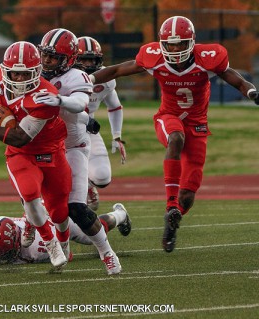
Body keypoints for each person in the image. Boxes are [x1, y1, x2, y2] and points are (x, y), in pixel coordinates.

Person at [89, 16, 259, 253]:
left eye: (180, 44)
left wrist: (252, 92)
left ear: (192, 42)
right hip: (167, 117)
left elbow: (237, 80)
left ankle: (173, 220)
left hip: (197, 126)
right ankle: (170, 204)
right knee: (176, 138)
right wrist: (88, 79)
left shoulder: (207, 59)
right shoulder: (154, 58)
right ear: (162, 43)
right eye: (170, 44)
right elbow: (117, 69)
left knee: (188, 194)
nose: (175, 49)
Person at [33, 28, 122, 275]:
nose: (47, 61)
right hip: (44, 147)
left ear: (69, 59)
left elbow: (81, 104)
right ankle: (59, 248)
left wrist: (60, 101)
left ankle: (107, 253)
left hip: (73, 146)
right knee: (39, 199)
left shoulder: (77, 77)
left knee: (76, 208)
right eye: (45, 55)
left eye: (54, 57)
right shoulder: (34, 72)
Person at [0, 41, 71, 271]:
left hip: (48, 148)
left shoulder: (45, 96)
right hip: (20, 154)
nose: (18, 79)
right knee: (29, 192)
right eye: (14, 74)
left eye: (24, 74)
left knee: (60, 209)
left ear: (36, 71)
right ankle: (51, 244)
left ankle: (68, 241)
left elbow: (20, 137)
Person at [0, 203, 130, 266]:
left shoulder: (35, 249)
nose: (2, 258)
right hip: (42, 213)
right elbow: (0, 251)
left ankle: (121, 215)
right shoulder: (12, 230)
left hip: (60, 221)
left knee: (91, 234)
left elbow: (67, 255)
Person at [75, 36, 127, 212]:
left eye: (92, 60)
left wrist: (117, 136)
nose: (89, 64)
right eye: (84, 60)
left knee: (103, 178)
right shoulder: (65, 78)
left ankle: (89, 185)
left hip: (88, 129)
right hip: (63, 129)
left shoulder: (105, 79)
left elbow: (115, 106)